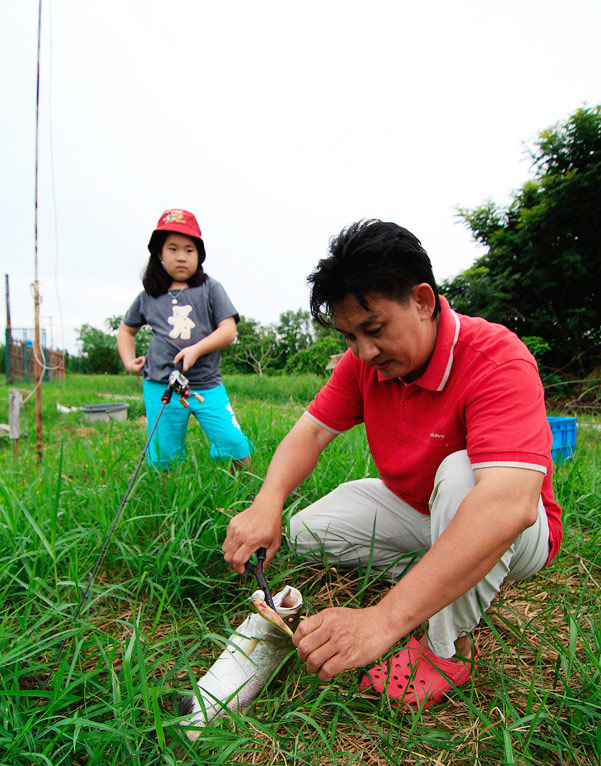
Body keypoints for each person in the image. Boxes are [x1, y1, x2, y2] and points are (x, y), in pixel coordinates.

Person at [222, 219, 562, 709]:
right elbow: (312, 431)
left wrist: (383, 619)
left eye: (374, 329)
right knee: (306, 532)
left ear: (422, 301)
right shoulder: (363, 364)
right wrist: (266, 503)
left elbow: (508, 505)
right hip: (419, 508)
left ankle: (445, 647)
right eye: (349, 337)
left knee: (463, 474)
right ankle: (446, 570)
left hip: (518, 533)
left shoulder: (496, 359)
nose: (364, 351)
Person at [117, 209, 252, 470]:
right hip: (160, 385)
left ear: (199, 255)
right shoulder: (149, 295)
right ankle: (168, 502)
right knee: (163, 453)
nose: (181, 257)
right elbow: (126, 330)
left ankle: (251, 493)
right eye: (173, 249)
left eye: (189, 250)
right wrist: (128, 361)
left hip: (205, 383)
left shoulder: (210, 288)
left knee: (232, 440)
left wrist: (197, 349)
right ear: (159, 253)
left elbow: (228, 329)